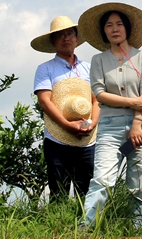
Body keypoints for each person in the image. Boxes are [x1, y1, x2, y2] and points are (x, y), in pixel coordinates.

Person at [78, 2, 142, 229]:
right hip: (110, 127)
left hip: (141, 128)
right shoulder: (98, 60)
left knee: (138, 181)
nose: (115, 29)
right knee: (102, 178)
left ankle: (135, 229)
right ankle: (87, 227)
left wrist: (136, 124)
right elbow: (100, 94)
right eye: (109, 25)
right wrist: (131, 102)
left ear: (128, 28)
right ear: (104, 31)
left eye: (119, 24)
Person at [31, 16, 99, 201]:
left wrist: (92, 124)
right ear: (53, 41)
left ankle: (87, 228)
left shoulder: (88, 69)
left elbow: (96, 100)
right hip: (57, 140)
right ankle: (59, 228)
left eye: (70, 34)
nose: (66, 38)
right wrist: (67, 126)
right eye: (60, 35)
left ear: (77, 39)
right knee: (58, 191)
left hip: (86, 139)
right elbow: (45, 102)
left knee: (86, 190)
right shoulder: (45, 69)